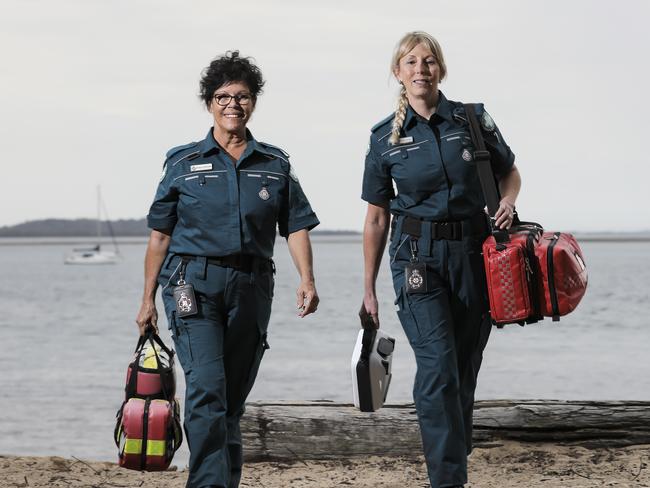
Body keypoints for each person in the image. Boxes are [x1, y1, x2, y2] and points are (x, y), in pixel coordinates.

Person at [135, 51, 320, 488]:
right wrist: (146, 300)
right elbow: (159, 236)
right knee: (206, 392)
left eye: (241, 96)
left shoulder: (275, 166)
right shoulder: (181, 163)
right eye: (223, 97)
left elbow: (294, 227)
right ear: (209, 103)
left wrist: (307, 279)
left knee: (231, 401)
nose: (232, 104)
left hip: (253, 286)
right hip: (191, 286)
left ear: (253, 101)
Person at [361, 32, 521, 488]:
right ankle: (447, 479)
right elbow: (375, 219)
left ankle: (453, 451)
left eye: (429, 61)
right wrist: (369, 288)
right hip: (416, 258)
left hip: (475, 254)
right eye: (411, 62)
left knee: (464, 365)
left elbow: (509, 171)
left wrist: (507, 201)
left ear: (440, 70)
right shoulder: (383, 139)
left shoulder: (472, 119)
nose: (421, 69)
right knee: (437, 365)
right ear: (398, 72)